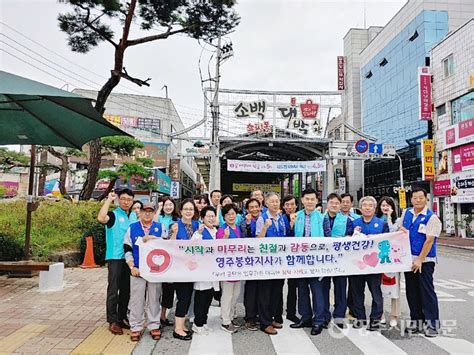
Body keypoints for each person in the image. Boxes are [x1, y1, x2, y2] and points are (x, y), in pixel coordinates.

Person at [398, 187, 442, 337]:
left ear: (426, 199)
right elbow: (400, 229)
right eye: (415, 198)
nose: (418, 200)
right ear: (411, 199)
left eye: (421, 198)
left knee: (426, 291)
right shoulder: (407, 213)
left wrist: (420, 260)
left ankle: (432, 325)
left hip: (425, 260)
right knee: (412, 291)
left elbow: (429, 241)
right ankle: (416, 322)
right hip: (408, 260)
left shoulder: (432, 218)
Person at [97, 189, 138, 335]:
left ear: (132, 201)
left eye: (129, 199)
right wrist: (109, 200)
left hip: (129, 259)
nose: (126, 202)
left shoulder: (134, 216)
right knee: (113, 289)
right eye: (123, 199)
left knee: (126, 290)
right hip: (115, 257)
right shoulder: (114, 215)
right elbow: (101, 218)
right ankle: (112, 320)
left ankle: (121, 317)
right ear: (119, 200)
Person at [124, 202, 164, 342]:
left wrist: (155, 239)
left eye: (150, 211)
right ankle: (136, 326)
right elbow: (127, 249)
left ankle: (154, 325)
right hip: (137, 270)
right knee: (137, 299)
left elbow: (166, 248)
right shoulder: (132, 228)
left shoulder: (160, 227)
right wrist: (131, 267)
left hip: (155, 271)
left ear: (154, 213)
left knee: (154, 298)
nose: (147, 213)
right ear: (139, 212)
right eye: (144, 211)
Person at [290, 188, 326, 336]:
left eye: (312, 199)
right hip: (300, 259)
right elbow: (289, 237)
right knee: (302, 290)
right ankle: (305, 317)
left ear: (316, 201)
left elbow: (328, 238)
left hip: (316, 260)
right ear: (302, 200)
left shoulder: (322, 218)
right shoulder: (296, 216)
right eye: (307, 199)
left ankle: (318, 321)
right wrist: (291, 225)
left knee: (317, 291)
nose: (310, 202)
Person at [351, 196, 389, 331]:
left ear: (374, 208)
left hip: (375, 265)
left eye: (370, 206)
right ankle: (360, 318)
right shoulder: (354, 223)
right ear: (360, 208)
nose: (367, 208)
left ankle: (375, 320)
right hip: (358, 265)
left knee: (376, 293)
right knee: (357, 292)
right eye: (364, 205)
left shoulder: (381, 224)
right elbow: (346, 242)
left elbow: (387, 242)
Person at [256, 192, 287, 335]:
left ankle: (273, 317)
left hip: (279, 261)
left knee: (276, 291)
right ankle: (265, 322)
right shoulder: (263, 218)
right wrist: (265, 228)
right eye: (272, 201)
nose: (275, 203)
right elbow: (258, 240)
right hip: (266, 262)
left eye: (277, 201)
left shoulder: (281, 218)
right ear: (266, 203)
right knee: (265, 292)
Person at [169, 199, 200, 341]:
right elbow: (170, 246)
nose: (188, 211)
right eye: (186, 209)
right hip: (180, 268)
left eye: (191, 209)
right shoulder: (175, 225)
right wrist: (174, 233)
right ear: (180, 211)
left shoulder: (196, 225)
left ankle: (181, 325)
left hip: (193, 268)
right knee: (183, 297)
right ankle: (178, 329)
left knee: (188, 297)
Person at [322, 193, 354, 330]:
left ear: (340, 205)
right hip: (323, 259)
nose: (334, 205)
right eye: (331, 202)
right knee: (323, 288)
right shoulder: (320, 219)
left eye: (336, 203)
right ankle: (324, 315)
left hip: (341, 260)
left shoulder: (347, 220)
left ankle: (339, 315)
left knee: (341, 288)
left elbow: (352, 236)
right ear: (327, 204)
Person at [191, 206, 220, 335]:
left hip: (214, 271)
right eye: (208, 216)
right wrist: (199, 234)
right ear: (202, 218)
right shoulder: (199, 232)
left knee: (209, 297)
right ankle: (197, 324)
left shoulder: (217, 231)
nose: (211, 218)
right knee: (201, 297)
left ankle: (204, 322)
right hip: (202, 271)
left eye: (213, 216)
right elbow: (192, 247)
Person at [217, 203, 242, 334]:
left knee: (236, 294)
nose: (231, 216)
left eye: (233, 214)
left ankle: (231, 316)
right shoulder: (222, 229)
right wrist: (225, 238)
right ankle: (225, 321)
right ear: (224, 217)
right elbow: (218, 248)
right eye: (228, 214)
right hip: (227, 267)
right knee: (227, 294)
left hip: (237, 266)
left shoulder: (238, 228)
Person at [376, 196, 401, 327]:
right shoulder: (375, 221)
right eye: (383, 205)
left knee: (394, 287)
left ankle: (394, 315)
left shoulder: (398, 221)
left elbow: (391, 232)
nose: (385, 207)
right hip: (378, 260)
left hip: (394, 260)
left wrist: (390, 218)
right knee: (379, 287)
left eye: (388, 205)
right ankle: (380, 314)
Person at [155, 196, 179, 327]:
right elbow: (153, 223)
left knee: (169, 289)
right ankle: (154, 316)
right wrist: (158, 209)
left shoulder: (177, 220)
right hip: (157, 257)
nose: (169, 207)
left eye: (171, 205)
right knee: (157, 289)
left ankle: (163, 316)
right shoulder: (159, 218)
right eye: (166, 205)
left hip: (172, 259)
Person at [240, 198, 262, 331]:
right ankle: (250, 317)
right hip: (250, 260)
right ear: (247, 210)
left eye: (256, 207)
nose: (254, 209)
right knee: (251, 289)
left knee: (261, 289)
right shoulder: (244, 222)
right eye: (251, 207)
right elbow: (245, 238)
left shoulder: (264, 220)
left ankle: (259, 314)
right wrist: (248, 224)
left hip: (263, 260)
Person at [340, 192, 361, 319]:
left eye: (348, 202)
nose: (345, 204)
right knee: (341, 285)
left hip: (354, 256)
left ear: (352, 203)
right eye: (343, 202)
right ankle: (340, 310)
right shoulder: (333, 216)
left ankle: (353, 310)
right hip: (340, 255)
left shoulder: (357, 218)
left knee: (354, 284)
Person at [280, 195, 299, 323]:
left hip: (295, 258)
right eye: (287, 205)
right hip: (281, 257)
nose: (289, 207)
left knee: (293, 286)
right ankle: (277, 311)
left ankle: (291, 312)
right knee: (278, 285)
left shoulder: (300, 218)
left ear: (296, 206)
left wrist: (294, 225)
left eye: (292, 204)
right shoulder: (279, 219)